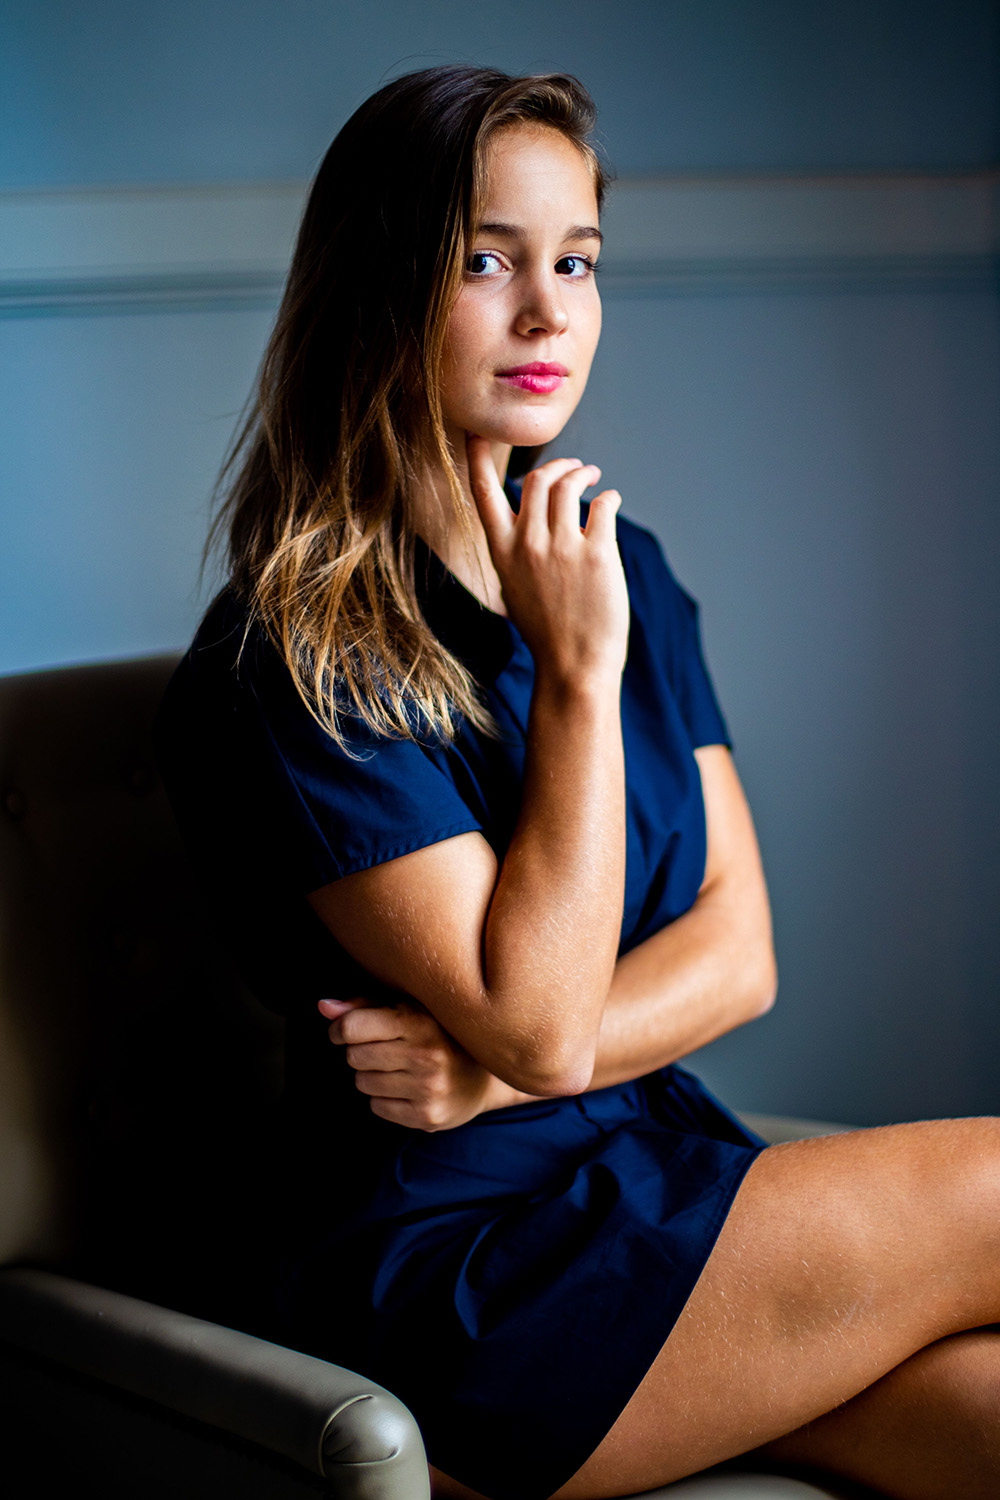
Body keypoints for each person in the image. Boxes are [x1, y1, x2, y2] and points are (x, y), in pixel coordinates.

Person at [155, 64, 1000, 1500]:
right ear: (379, 284)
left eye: (578, 263)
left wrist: (481, 1067)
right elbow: (544, 1026)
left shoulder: (627, 566)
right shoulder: (291, 661)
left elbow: (742, 955)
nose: (549, 310)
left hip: (659, 1182)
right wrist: (582, 681)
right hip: (463, 1272)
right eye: (488, 259)